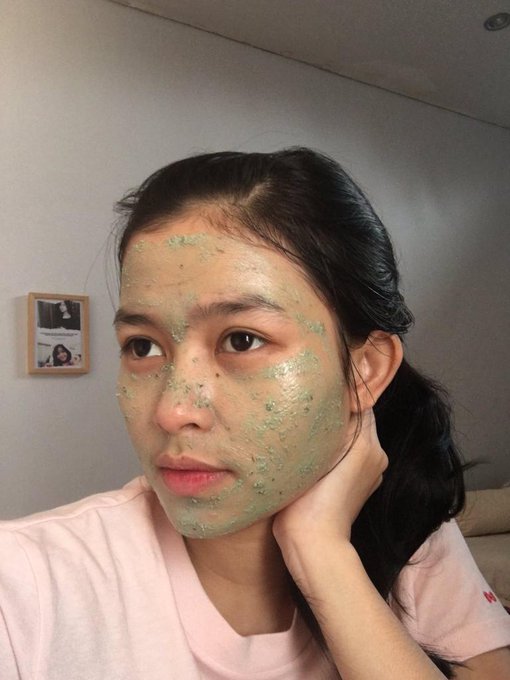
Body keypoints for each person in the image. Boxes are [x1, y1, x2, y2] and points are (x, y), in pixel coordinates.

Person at [1, 149, 509, 679]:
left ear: (366, 369)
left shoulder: (409, 529)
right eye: (142, 346)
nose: (173, 411)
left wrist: (323, 555)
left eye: (241, 340)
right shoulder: (23, 590)